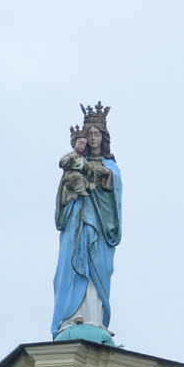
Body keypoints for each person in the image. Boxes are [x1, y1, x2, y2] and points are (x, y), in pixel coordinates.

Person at [52, 104, 121, 341]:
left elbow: (116, 189)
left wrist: (105, 176)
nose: (92, 138)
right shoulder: (74, 161)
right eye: (89, 134)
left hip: (99, 223)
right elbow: (64, 188)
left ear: (103, 137)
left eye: (97, 134)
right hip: (76, 219)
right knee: (72, 265)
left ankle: (96, 317)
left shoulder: (110, 165)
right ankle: (72, 316)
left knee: (98, 267)